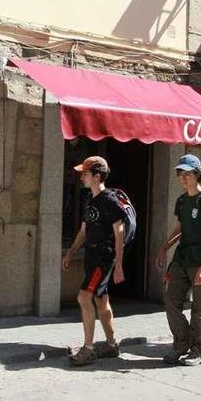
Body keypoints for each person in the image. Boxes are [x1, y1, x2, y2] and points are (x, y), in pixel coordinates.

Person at [156, 154, 201, 366]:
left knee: (199, 307)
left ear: (197, 175)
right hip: (182, 257)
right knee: (171, 300)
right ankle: (181, 342)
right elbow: (180, 228)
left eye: (188, 174)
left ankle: (199, 350)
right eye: (181, 174)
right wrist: (164, 247)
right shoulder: (182, 200)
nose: (184, 178)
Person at [62, 156, 128, 366]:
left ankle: (88, 348)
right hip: (91, 257)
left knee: (83, 297)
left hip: (103, 258)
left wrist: (118, 265)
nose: (81, 176)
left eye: (85, 173)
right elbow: (84, 230)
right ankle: (111, 343)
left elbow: (119, 232)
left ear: (97, 176)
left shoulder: (109, 200)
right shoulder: (90, 199)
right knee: (101, 300)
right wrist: (71, 252)